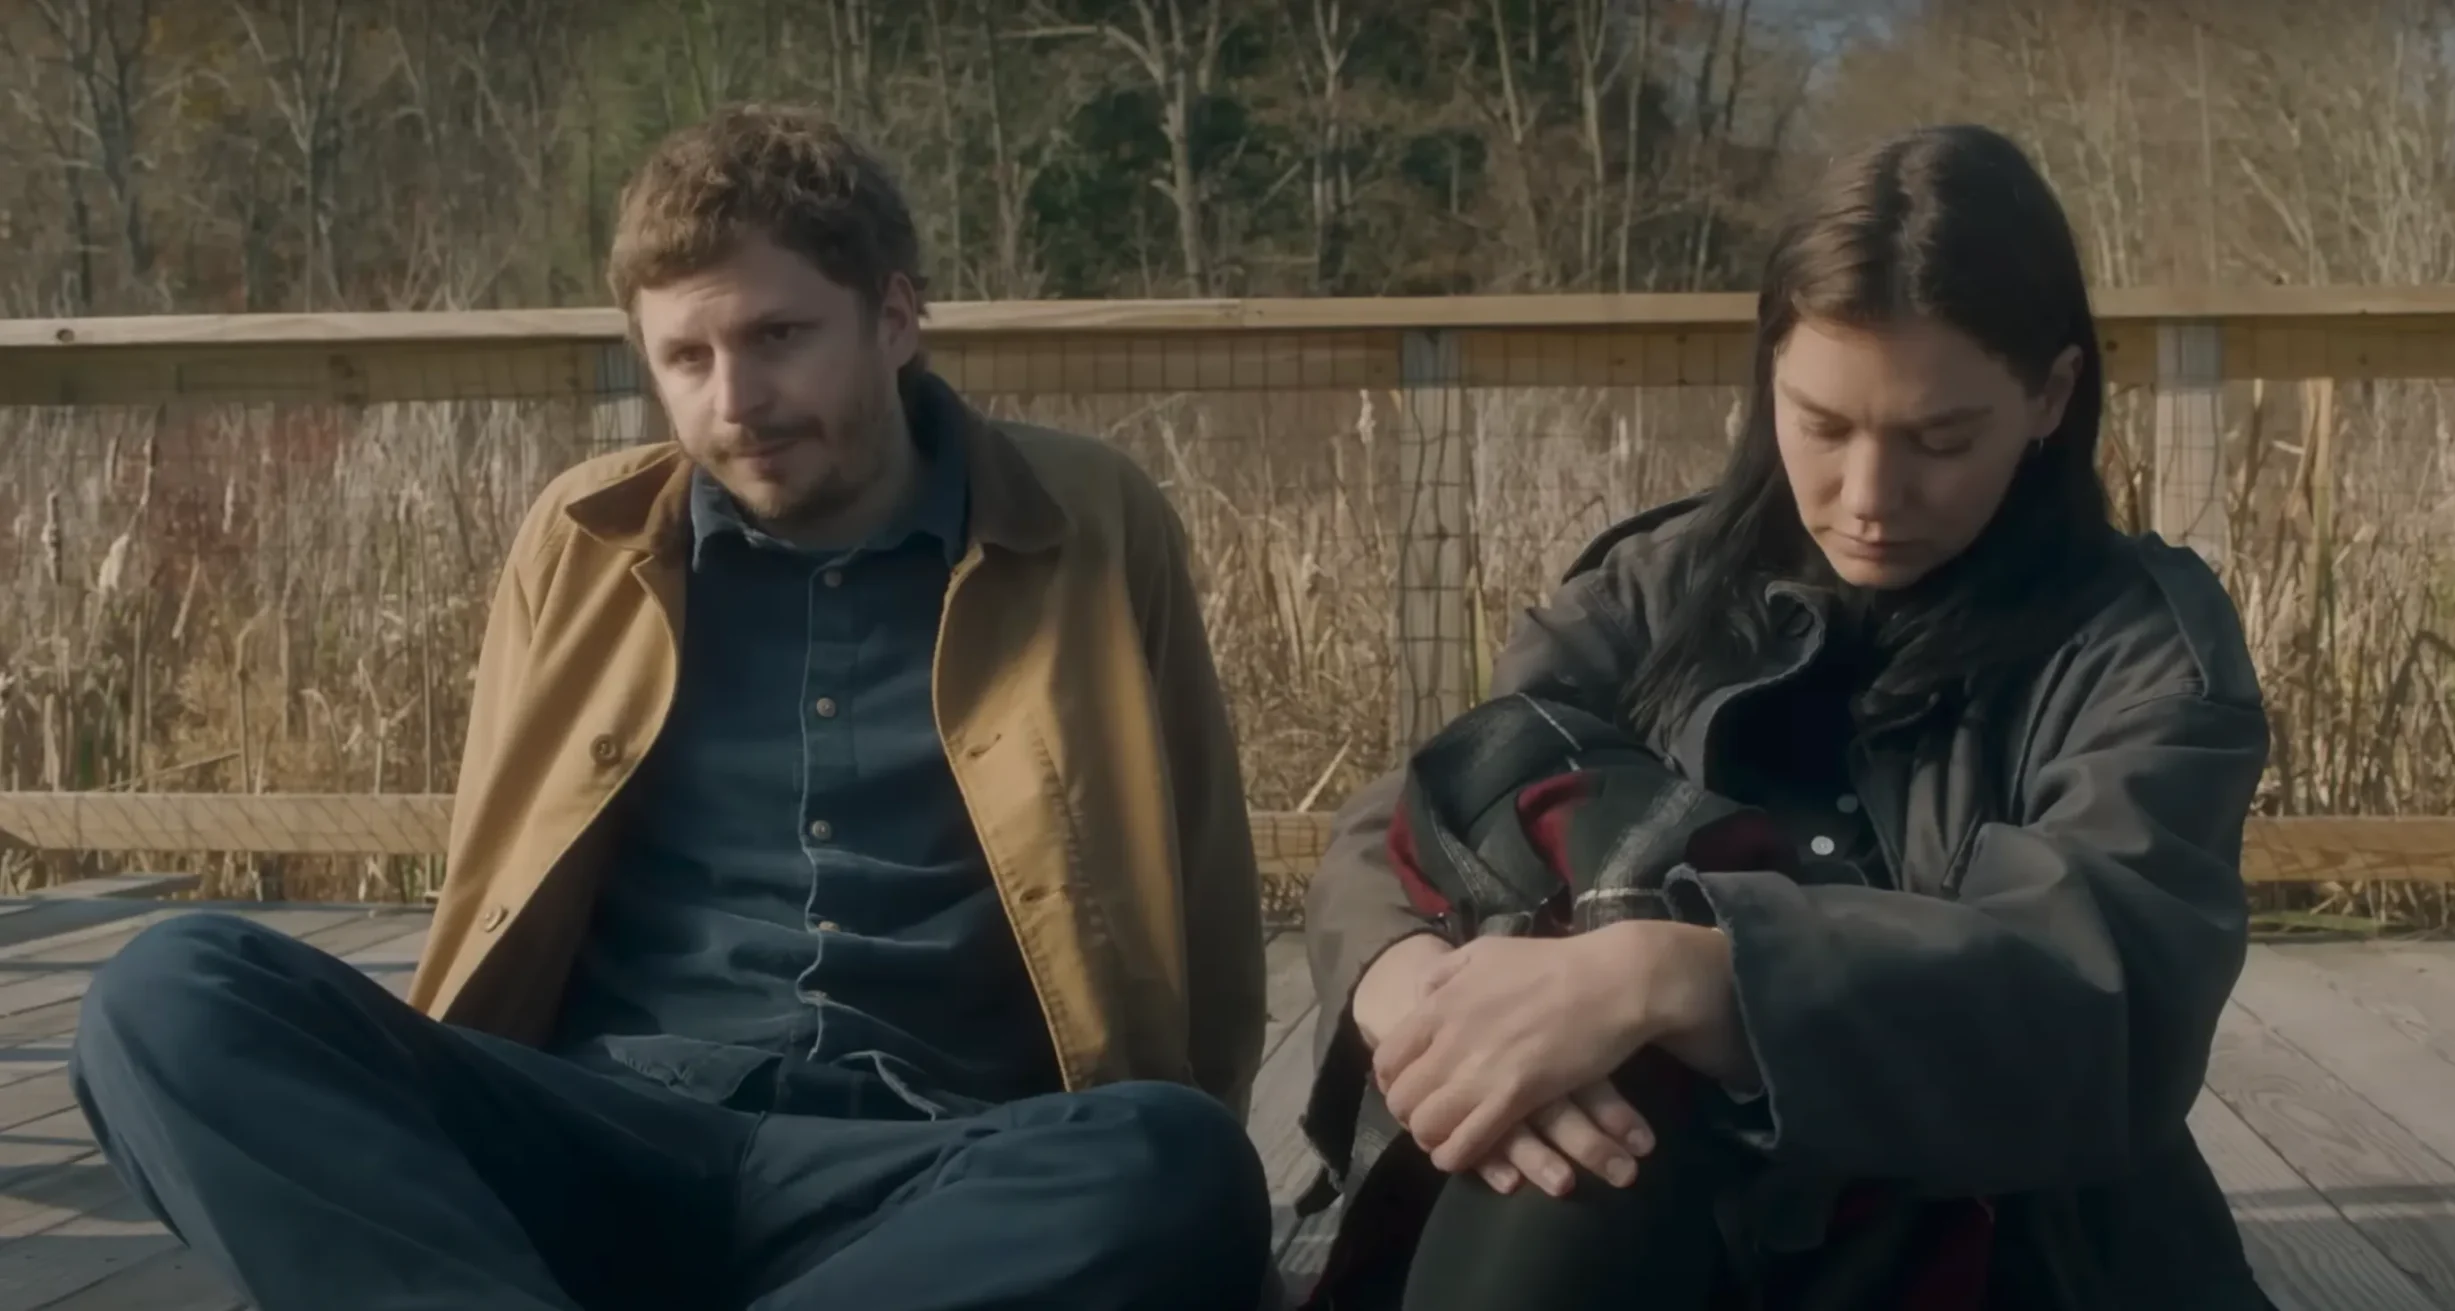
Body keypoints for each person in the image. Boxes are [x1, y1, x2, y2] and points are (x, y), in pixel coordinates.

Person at [70, 103, 1274, 1311]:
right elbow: (500, 869)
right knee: (168, 993)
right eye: (686, 359)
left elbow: (1204, 877)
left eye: (779, 335)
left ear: (896, 318)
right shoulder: (583, 542)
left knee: (1171, 1160)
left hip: (930, 1173)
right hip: (606, 1132)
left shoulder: (1087, 522)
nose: (734, 399)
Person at [1297, 124, 2277, 1310]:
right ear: (1767, 375)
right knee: (1561, 1146)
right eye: (1820, 424)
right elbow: (1429, 804)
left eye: (1939, 439)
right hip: (1651, 1186)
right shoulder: (1654, 586)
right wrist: (1410, 988)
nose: (1868, 499)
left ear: (2052, 396)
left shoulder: (2140, 651)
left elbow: (2100, 995)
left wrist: (1678, 976)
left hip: (2014, 1231)